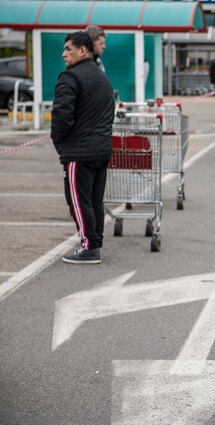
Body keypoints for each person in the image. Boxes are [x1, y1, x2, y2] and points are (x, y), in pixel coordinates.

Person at [51, 31, 114, 264]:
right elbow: (109, 113)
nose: (63, 53)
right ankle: (95, 243)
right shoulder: (102, 77)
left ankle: (89, 247)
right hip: (101, 150)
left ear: (83, 50)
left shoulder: (70, 78)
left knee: (78, 199)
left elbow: (61, 117)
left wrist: (58, 142)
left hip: (79, 151)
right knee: (94, 200)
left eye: (68, 48)